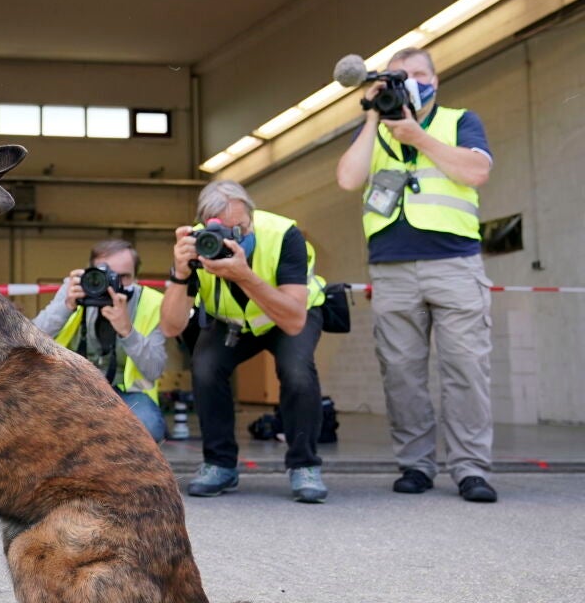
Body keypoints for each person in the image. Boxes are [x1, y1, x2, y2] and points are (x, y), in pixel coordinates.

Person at [335, 46, 497, 504]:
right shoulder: (375, 128)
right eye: (398, 75)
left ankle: (471, 469)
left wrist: (418, 137)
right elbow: (348, 179)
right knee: (401, 373)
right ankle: (416, 465)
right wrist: (373, 116)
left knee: (466, 369)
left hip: (454, 265)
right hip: (392, 269)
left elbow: (476, 171)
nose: (409, 81)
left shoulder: (459, 121)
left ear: (435, 80)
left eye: (418, 74)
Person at [159, 181, 329, 503]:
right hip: (232, 322)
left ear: (252, 216)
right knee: (205, 367)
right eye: (223, 231)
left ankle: (304, 465)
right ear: (205, 225)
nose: (233, 239)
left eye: (241, 228)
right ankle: (220, 464)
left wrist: (244, 275)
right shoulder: (196, 244)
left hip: (288, 315)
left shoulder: (283, 235)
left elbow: (294, 321)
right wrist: (180, 274)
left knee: (297, 371)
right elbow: (170, 327)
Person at [33, 240, 168, 443]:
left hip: (127, 393)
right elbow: (29, 342)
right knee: (34, 425)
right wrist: (65, 306)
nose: (113, 284)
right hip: (72, 389)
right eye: (105, 275)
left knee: (149, 426)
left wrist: (127, 331)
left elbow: (154, 370)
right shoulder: (75, 290)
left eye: (123, 277)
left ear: (136, 278)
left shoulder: (152, 303)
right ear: (90, 272)